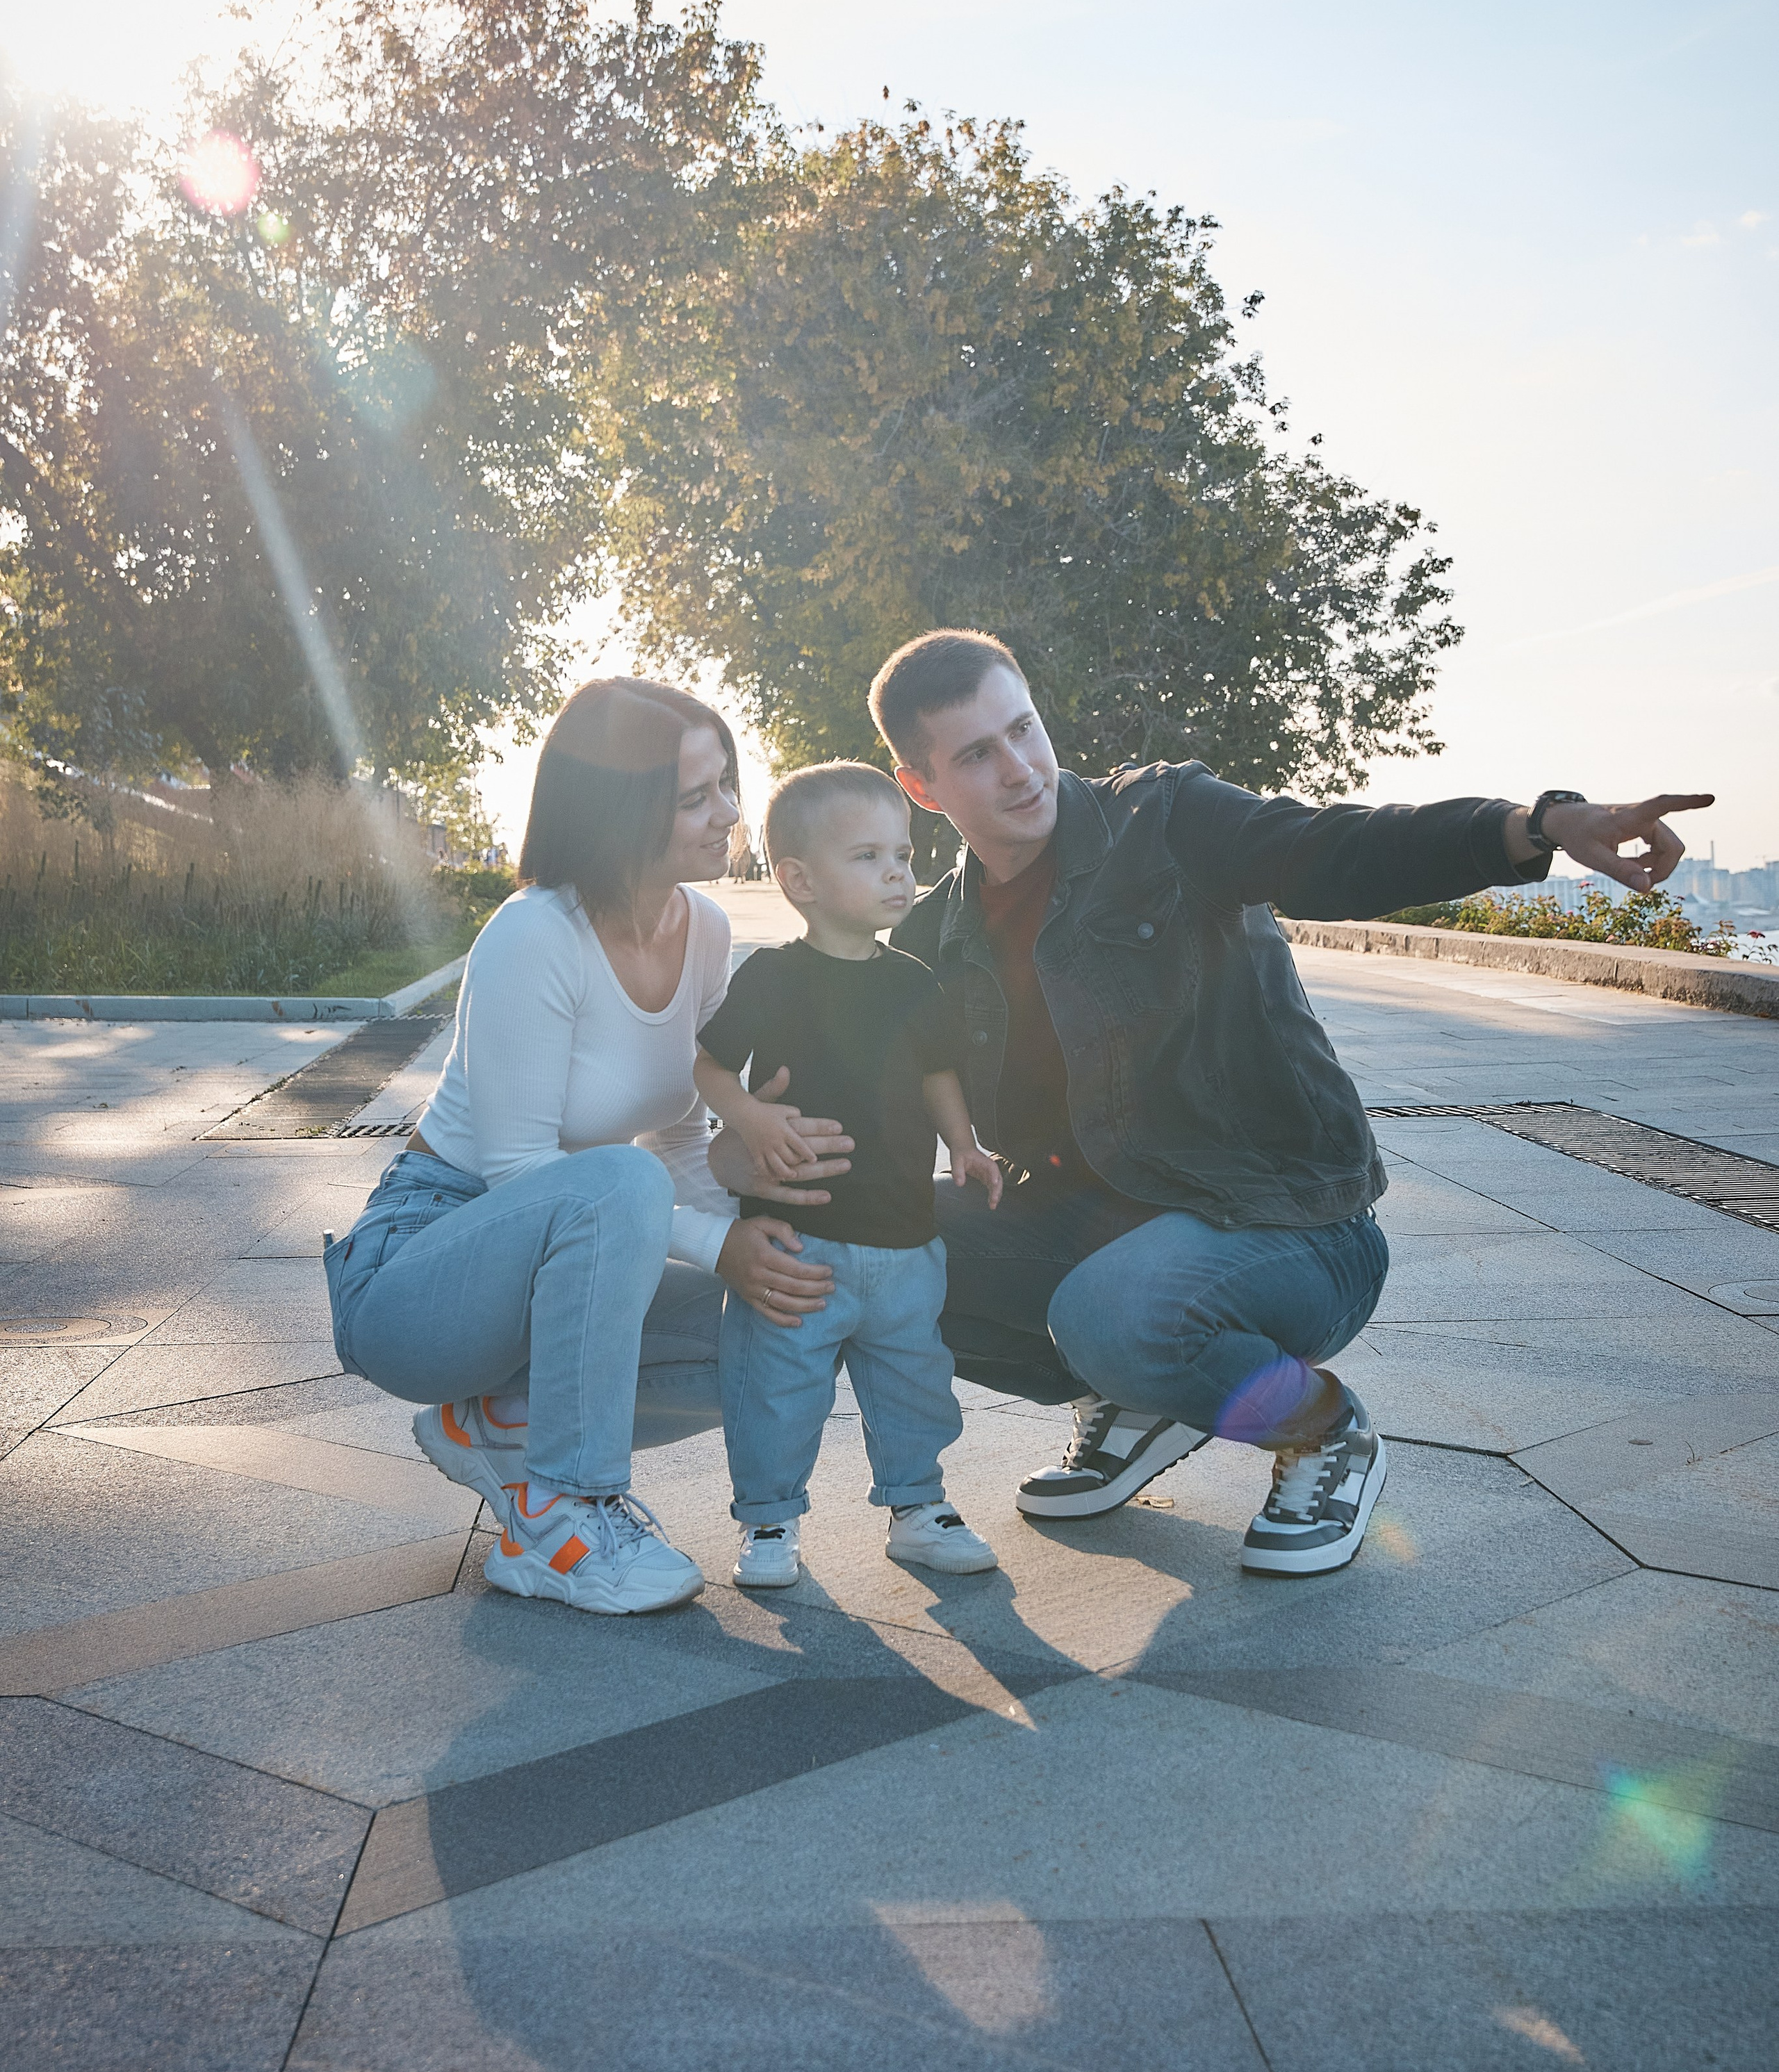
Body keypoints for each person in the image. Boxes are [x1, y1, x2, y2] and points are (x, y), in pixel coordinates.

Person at [715, 630, 1711, 1578]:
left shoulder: (1163, 821)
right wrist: (744, 1177)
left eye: (1023, 729)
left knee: (1113, 1315)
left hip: (1290, 1227)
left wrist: (1535, 825)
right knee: (872, 1258)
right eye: (976, 755)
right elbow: (855, 1116)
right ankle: (1141, 1400)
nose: (1019, 769)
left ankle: (1323, 1431)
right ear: (921, 788)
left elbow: (1337, 847)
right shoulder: (932, 937)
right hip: (1096, 1234)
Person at [320, 677, 853, 1617]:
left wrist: (748, 1240)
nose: (730, 814)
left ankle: (502, 1422)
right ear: (621, 812)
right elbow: (523, 1171)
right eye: (695, 798)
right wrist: (712, 1242)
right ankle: (561, 1516)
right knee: (621, 1182)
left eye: (726, 784)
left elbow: (680, 1134)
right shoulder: (534, 934)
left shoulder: (704, 931)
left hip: (574, 1252)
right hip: (422, 1271)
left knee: (793, 1312)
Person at [693, 763, 1003, 1588]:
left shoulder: (913, 981)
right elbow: (710, 1065)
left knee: (915, 1385)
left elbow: (938, 1072)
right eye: (868, 857)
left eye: (903, 854)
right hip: (796, 1245)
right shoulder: (771, 978)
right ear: (800, 880)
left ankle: (918, 1509)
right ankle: (769, 1520)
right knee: (774, 1389)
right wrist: (748, 1118)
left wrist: (965, 1146)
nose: (898, 872)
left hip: (906, 1238)